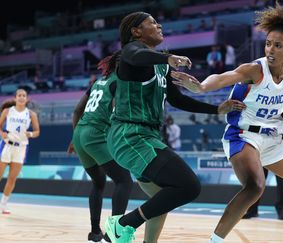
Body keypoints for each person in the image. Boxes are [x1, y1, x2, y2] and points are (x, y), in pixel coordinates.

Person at [171, 4, 283, 243]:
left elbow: (280, 106)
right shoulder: (255, 69)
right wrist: (201, 86)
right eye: (268, 43)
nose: (271, 49)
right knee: (255, 185)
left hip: (273, 138)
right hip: (242, 136)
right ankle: (215, 241)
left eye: (278, 45)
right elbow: (224, 77)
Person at [102, 12, 246, 243]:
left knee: (161, 201)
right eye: (152, 23)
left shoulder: (160, 65)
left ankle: (125, 236)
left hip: (147, 137)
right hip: (129, 136)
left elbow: (178, 100)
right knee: (188, 186)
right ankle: (122, 224)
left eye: (158, 22)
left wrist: (217, 109)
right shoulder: (130, 53)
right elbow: (138, 55)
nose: (159, 25)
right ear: (136, 31)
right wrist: (167, 59)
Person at [67, 68, 134, 242]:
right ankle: (113, 234)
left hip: (80, 133)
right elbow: (116, 114)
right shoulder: (119, 81)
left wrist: (75, 139)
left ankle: (95, 232)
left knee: (99, 182)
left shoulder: (98, 81)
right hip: (95, 133)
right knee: (124, 180)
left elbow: (76, 111)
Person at [0, 89, 40, 214]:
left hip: (21, 148)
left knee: (12, 179)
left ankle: (3, 205)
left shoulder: (31, 114)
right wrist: (2, 134)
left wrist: (31, 134)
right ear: (15, 97)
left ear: (27, 99)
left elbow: (37, 131)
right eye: (19, 95)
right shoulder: (8, 111)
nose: (22, 97)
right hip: (7, 146)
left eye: (24, 95)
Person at [243, 131, 283, 220]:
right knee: (258, 181)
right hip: (263, 149)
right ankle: (252, 210)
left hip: (279, 149)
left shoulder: (280, 117)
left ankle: (281, 210)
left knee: (281, 181)